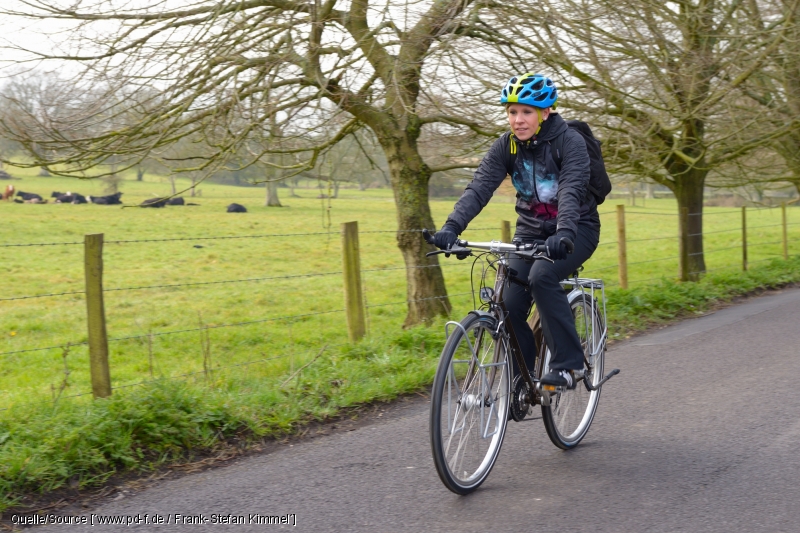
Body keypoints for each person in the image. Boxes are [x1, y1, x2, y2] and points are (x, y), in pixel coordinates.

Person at [432, 73, 601, 389]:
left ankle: (566, 365)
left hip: (576, 229)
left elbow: (571, 190)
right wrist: (451, 228)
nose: (518, 120)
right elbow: (480, 187)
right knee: (507, 304)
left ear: (545, 112)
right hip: (529, 234)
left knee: (542, 276)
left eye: (526, 112)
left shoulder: (570, 142)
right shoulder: (506, 146)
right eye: (512, 112)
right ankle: (522, 380)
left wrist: (564, 232)